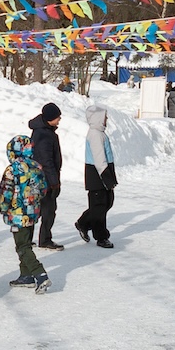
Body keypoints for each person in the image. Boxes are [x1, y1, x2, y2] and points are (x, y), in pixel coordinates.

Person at [0, 134, 50, 293]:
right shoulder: (36, 166)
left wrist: (3, 207)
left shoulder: (12, 169)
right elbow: (43, 189)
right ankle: (25, 275)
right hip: (32, 212)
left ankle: (40, 274)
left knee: (22, 246)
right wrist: (34, 202)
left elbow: (6, 191)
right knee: (26, 242)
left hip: (17, 214)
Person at [74, 105, 118, 248]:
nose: (107, 119)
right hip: (97, 175)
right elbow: (99, 159)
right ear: (98, 118)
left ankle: (83, 223)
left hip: (101, 174)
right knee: (99, 206)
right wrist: (107, 177)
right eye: (105, 117)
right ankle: (101, 236)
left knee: (107, 202)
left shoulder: (100, 133)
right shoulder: (95, 135)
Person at [28, 103, 65, 250]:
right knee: (48, 210)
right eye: (57, 117)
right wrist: (54, 183)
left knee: (38, 210)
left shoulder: (44, 131)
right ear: (50, 118)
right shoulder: (44, 134)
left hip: (41, 179)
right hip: (44, 180)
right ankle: (44, 239)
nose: (59, 119)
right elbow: (46, 161)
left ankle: (29, 238)